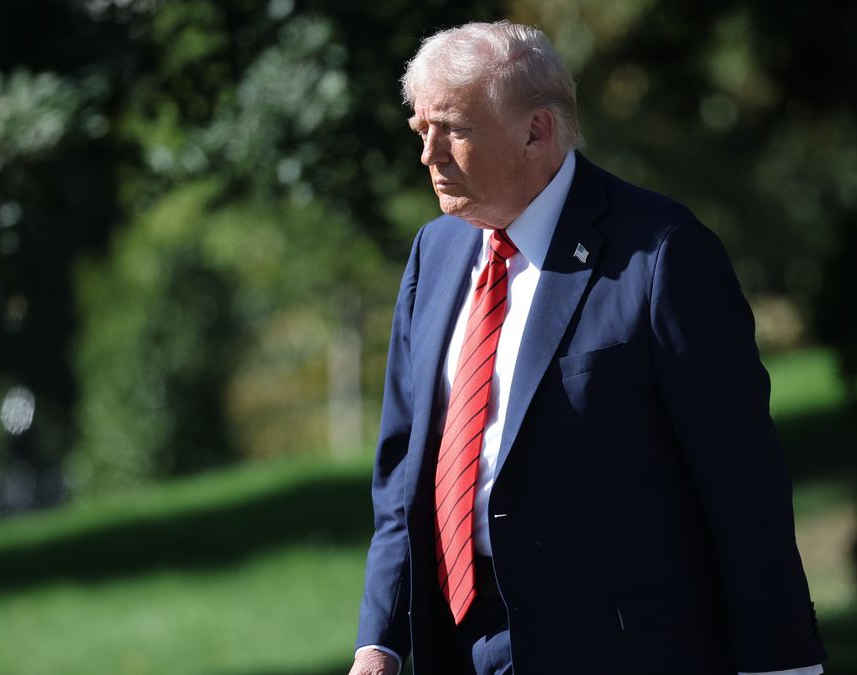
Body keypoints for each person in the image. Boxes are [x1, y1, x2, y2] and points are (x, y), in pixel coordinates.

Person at [348, 20, 828, 675]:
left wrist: (781, 664)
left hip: (617, 646)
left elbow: (742, 482)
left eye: (453, 129)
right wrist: (378, 642)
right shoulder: (436, 252)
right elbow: (404, 474)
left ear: (537, 131)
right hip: (459, 645)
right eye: (420, 130)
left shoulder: (661, 254)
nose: (429, 155)